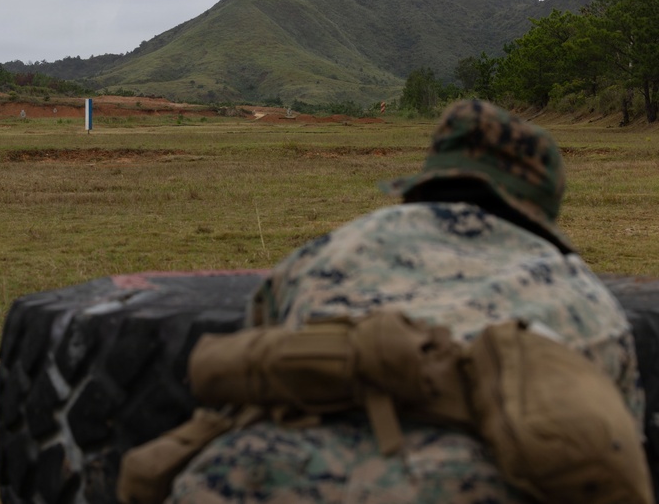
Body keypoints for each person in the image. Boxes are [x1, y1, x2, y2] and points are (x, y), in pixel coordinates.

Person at [167, 99, 644, 504]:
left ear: (429, 179)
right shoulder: (582, 295)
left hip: (247, 477)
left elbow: (249, 371)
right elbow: (619, 446)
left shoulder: (328, 251)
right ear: (539, 204)